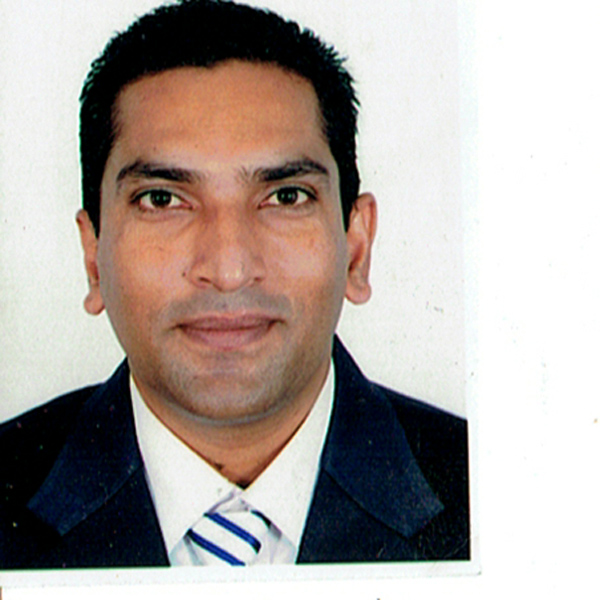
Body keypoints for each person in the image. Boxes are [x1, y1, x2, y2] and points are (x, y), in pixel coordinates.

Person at [0, 0, 469, 568]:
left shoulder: (506, 494)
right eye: (162, 199)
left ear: (356, 247)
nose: (228, 270)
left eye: (286, 197)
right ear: (92, 256)